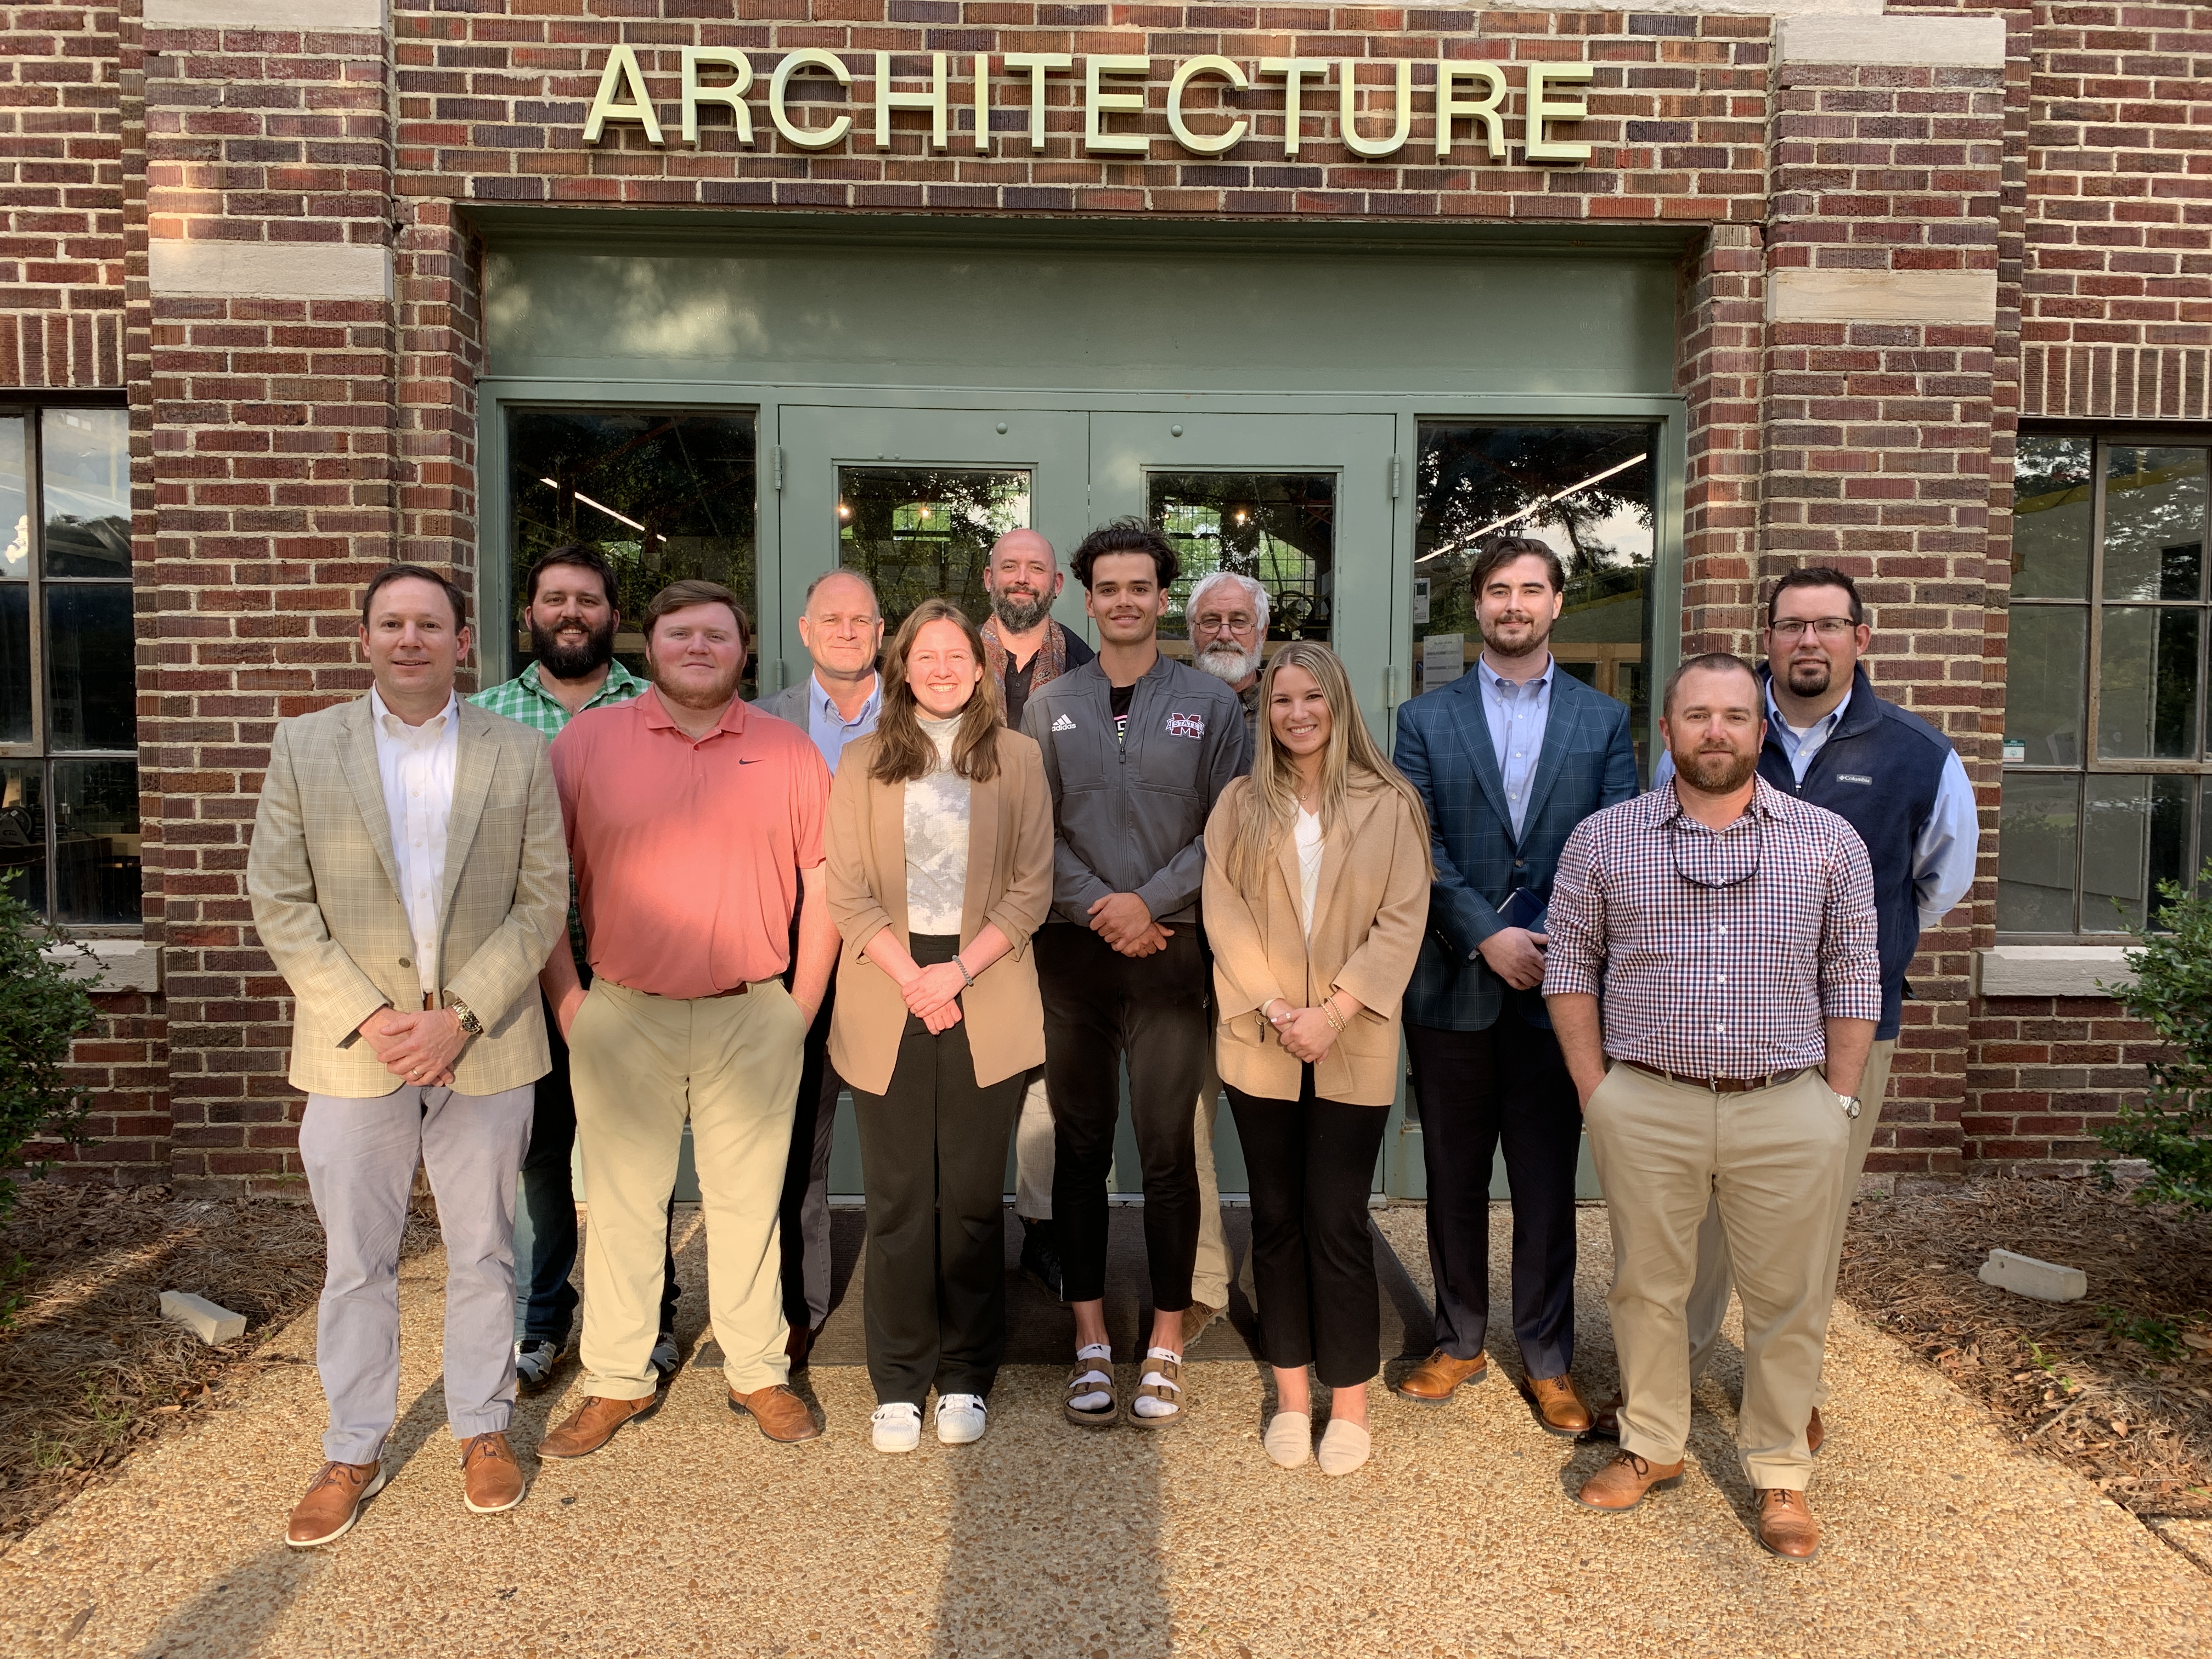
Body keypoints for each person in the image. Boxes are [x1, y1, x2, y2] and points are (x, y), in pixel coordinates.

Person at [1606, 566, 1978, 1447]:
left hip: (1845, 1036)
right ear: (1766, 637)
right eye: (1791, 626)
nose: (1808, 641)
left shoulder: (1918, 755)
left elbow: (1938, 882)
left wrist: (1852, 954)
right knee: (1691, 1233)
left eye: (1828, 625)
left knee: (1805, 1235)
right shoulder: (1715, 733)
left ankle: (1787, 1396)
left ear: (1862, 637)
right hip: (1705, 1033)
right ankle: (1673, 1382)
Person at [249, 564, 568, 1546]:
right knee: (356, 1260)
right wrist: (370, 1013)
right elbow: (280, 896)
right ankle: (353, 1443)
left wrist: (458, 1014)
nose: (411, 639)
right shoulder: (306, 745)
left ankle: (482, 1425)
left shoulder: (517, 751)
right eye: (392, 623)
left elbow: (542, 897)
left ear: (462, 641)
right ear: (365, 637)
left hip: (484, 1042)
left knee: (482, 1249)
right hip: (354, 1051)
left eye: (430, 623)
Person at [1544, 653, 1880, 1562]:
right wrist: (1595, 1089)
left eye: (1735, 714)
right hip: (1647, 1100)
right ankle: (1652, 1443)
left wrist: (1837, 1100)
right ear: (1666, 730)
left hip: (1786, 1102)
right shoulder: (1604, 840)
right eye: (1696, 714)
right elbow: (1570, 968)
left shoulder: (1826, 841)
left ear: (1760, 729)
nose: (1716, 730)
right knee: (1648, 1284)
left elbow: (1853, 974)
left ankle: (1778, 1471)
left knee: (1788, 1295)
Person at [537, 579, 837, 1457]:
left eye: (716, 635)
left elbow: (825, 884)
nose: (698, 647)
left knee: (750, 1204)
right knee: (626, 1205)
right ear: (648, 645)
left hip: (755, 1013)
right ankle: (617, 1382)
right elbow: (540, 883)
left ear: (745, 649)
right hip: (623, 1012)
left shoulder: (786, 751)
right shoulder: (590, 742)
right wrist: (569, 1001)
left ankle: (757, 1373)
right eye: (679, 634)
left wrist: (801, 1007)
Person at [1389, 537, 1638, 1432]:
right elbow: (1414, 841)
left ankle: (1546, 1355)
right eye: (1497, 589)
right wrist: (1484, 931)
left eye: (1530, 588)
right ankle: (1457, 1337)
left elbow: (1618, 843)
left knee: (1543, 1182)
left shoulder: (1603, 721)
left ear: (1556, 603)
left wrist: (1551, 941)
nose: (1513, 604)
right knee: (1452, 1174)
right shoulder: (1423, 719)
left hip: (1558, 990)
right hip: (1454, 981)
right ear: (1478, 605)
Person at [1023, 517, 1246, 1428]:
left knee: (1164, 1154)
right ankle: (1086, 1340)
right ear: (1088, 600)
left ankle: (1160, 1339)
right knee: (1078, 1151)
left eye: (1138, 587)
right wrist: (1099, 906)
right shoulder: (1046, 705)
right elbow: (1033, 833)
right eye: (1106, 587)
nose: (1122, 600)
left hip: (1170, 952)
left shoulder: (1212, 703)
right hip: (1074, 954)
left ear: (1162, 599)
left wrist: (1148, 902)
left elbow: (1228, 826)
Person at [823, 599, 1055, 1453]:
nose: (944, 668)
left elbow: (1032, 886)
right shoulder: (860, 762)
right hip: (888, 984)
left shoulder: (1019, 758)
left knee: (967, 1199)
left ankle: (963, 1373)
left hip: (982, 982)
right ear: (903, 668)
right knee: (896, 1200)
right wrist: (915, 978)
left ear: (982, 666)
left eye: (959, 654)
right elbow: (845, 891)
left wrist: (955, 973)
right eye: (927, 655)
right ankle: (897, 1379)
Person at [1201, 642, 1430, 1476]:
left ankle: (1350, 1402)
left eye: (1311, 698)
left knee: (1336, 1220)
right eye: (1280, 701)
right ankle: (1293, 1398)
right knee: (1275, 1218)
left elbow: (1404, 919)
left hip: (1351, 1040)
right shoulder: (1238, 803)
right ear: (1264, 713)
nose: (1296, 714)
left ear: (1338, 704)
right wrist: (1274, 1007)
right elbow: (1222, 915)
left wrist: (1333, 1013)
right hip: (1261, 1040)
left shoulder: (1390, 803)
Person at [469, 544, 678, 1396]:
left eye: (587, 600)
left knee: (642, 1155)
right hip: (523, 978)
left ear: (613, 617)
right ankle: (542, 1322)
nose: (570, 613)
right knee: (542, 1158)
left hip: (637, 972)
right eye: (554, 599)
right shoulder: (481, 719)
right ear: (530, 615)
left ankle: (655, 1316)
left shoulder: (662, 710)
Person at [753, 569, 887, 1370]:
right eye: (830, 619)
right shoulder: (759, 723)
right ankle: (795, 1314)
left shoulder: (917, 717)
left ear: (881, 632)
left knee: (905, 1150)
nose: (845, 630)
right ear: (805, 630)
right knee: (796, 1145)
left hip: (887, 965)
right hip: (792, 962)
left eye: (860, 619)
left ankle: (918, 1314)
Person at [978, 527, 1093, 1304]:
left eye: (1037, 571)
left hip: (1059, 909)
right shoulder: (942, 653)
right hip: (964, 909)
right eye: (1010, 567)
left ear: (1056, 586)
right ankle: (965, 1231)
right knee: (974, 1074)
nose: (1022, 581)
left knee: (1050, 1080)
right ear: (990, 577)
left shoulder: (1088, 666)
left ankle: (1043, 1232)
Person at [1187, 568, 1269, 736]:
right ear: (1191, 629)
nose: (1225, 635)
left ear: (1262, 632)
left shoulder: (1285, 708)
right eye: (1211, 621)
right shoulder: (1170, 706)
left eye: (1239, 622)